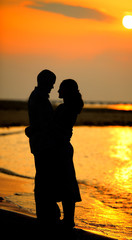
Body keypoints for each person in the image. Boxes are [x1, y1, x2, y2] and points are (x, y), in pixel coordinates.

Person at [25, 69, 61, 226]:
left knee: (42, 179)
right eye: (51, 84)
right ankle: (46, 215)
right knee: (44, 180)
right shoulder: (39, 98)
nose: (53, 87)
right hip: (43, 145)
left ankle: (45, 213)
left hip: (39, 144)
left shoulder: (36, 96)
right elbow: (45, 125)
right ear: (46, 82)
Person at [54, 79, 84, 231]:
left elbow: (56, 128)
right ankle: (68, 219)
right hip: (63, 148)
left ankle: (68, 220)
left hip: (61, 148)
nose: (58, 91)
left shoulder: (67, 109)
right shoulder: (68, 107)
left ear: (66, 91)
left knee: (66, 184)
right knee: (66, 183)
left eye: (60, 89)